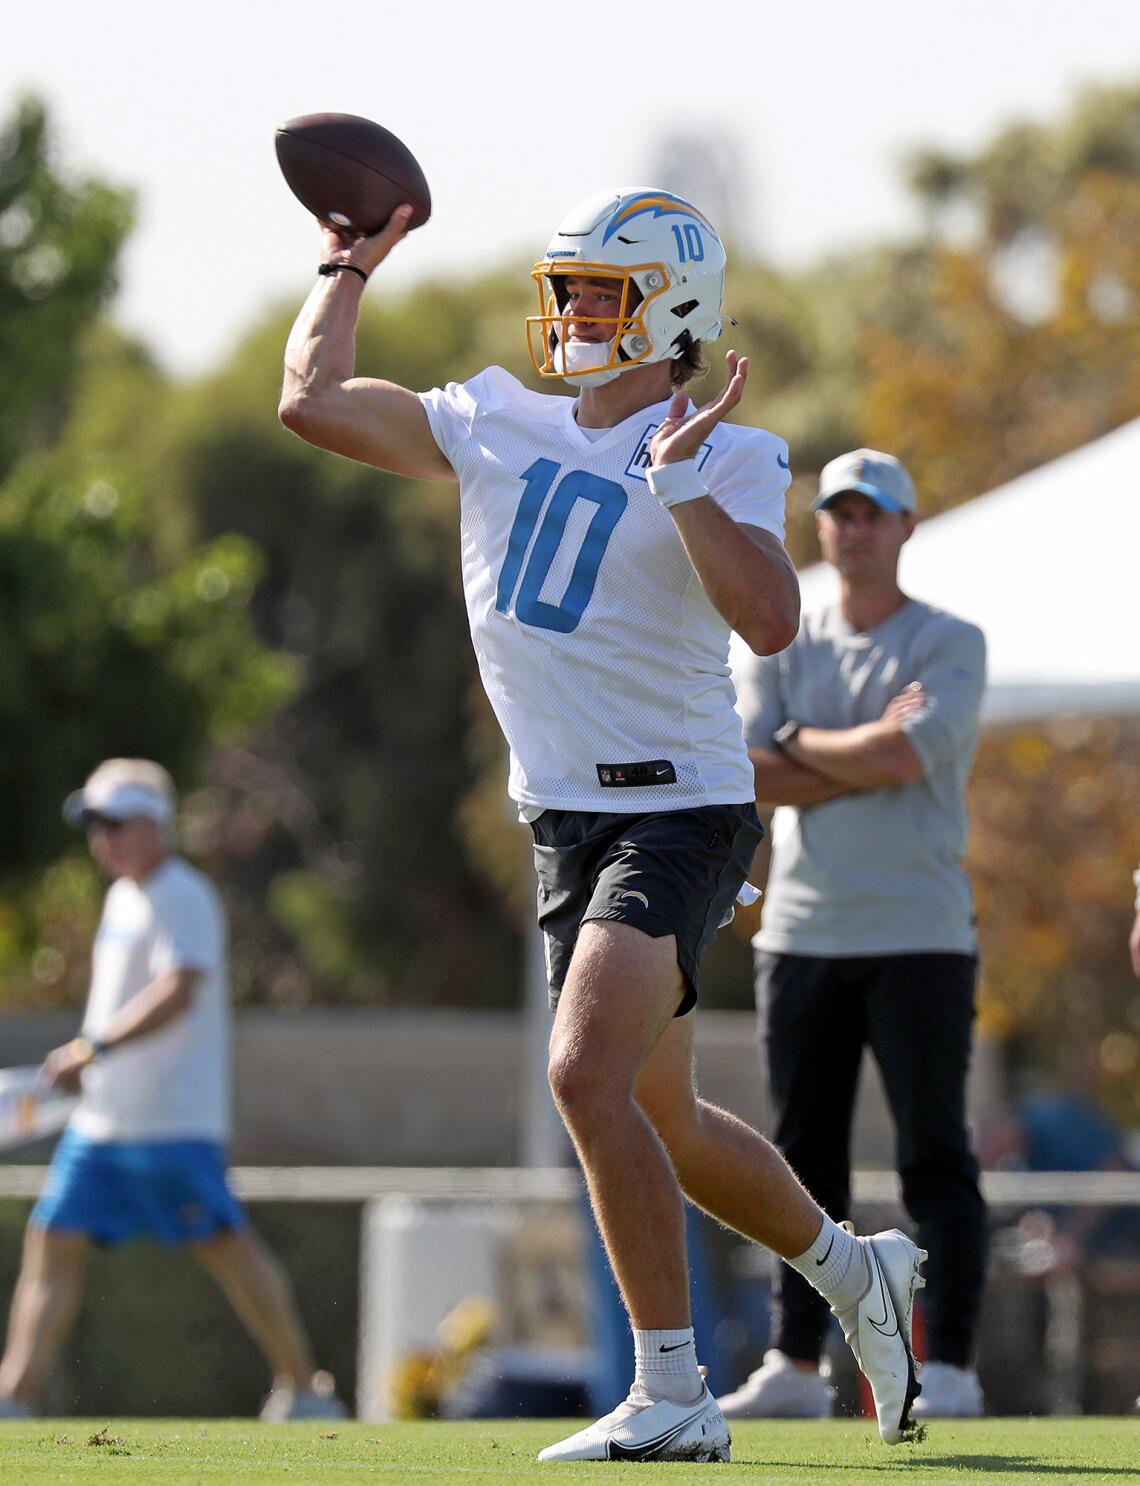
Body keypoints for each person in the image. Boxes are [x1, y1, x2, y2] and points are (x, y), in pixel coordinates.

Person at [279, 189, 927, 1462]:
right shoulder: (497, 418)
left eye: (599, 292)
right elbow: (312, 399)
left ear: (670, 306)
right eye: (567, 288)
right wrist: (343, 263)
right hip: (563, 819)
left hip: (680, 808)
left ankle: (675, 1389)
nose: (571, 312)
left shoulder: (728, 446)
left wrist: (681, 478)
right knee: (664, 1123)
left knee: (580, 1077)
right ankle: (859, 1275)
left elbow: (773, 621)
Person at [721, 450, 988, 1423]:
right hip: (799, 935)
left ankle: (949, 1366)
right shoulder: (781, 643)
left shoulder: (952, 641)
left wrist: (808, 750)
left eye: (874, 513)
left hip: (921, 935)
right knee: (801, 1162)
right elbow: (749, 769)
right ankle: (796, 1365)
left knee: (933, 1157)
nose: (855, 527)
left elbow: (907, 750)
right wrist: (857, 752)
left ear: (906, 526)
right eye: (839, 512)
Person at [0, 759, 343, 1423]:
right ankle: (13, 1398)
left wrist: (91, 1048)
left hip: (172, 1122)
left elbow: (178, 989)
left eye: (114, 823)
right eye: (95, 826)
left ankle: (304, 1389)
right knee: (53, 1242)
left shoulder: (182, 894)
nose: (102, 839)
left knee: (225, 1245)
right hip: (103, 1123)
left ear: (154, 826)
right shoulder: (123, 897)